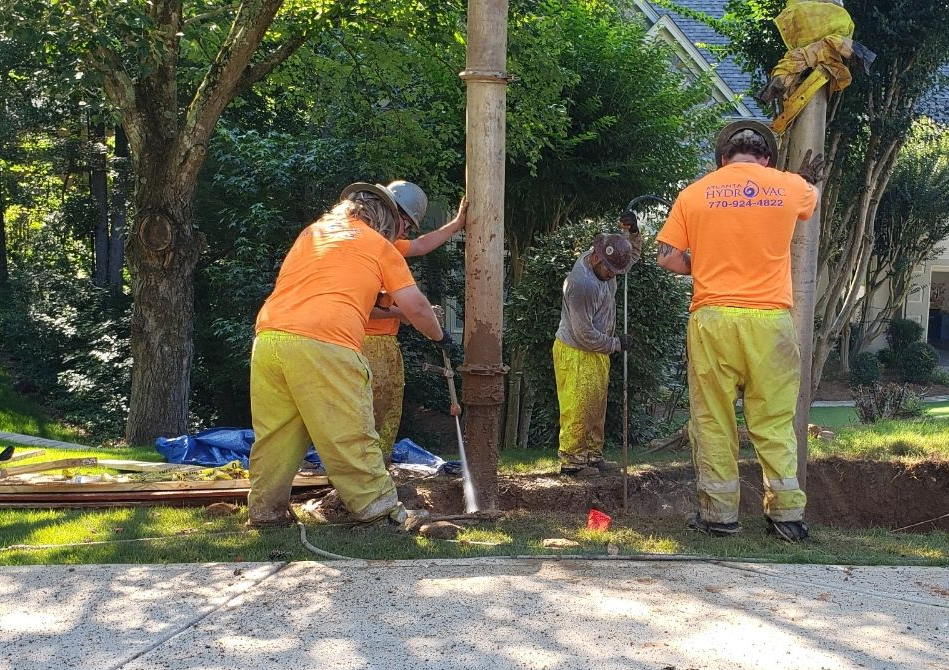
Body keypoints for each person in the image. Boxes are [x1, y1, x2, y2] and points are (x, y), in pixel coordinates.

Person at [656, 120, 824, 542]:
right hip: (771, 321)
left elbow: (667, 257)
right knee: (773, 420)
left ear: (722, 157)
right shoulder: (787, 185)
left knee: (713, 420)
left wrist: (707, 263)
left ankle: (718, 517)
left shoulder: (694, 193)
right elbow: (812, 199)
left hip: (713, 318)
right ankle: (786, 518)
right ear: (765, 156)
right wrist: (802, 180)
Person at [247, 182, 452, 528]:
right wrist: (441, 336)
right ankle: (380, 513)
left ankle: (265, 513)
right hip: (326, 343)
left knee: (276, 435)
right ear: (389, 218)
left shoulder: (313, 233)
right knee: (351, 432)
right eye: (404, 226)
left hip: (269, 339)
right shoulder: (378, 245)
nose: (403, 233)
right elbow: (415, 305)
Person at [362, 182, 468, 460]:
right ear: (393, 213)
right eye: (406, 225)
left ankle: (378, 469)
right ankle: (362, 474)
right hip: (363, 344)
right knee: (369, 411)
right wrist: (408, 315)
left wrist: (456, 224)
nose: (406, 234)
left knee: (388, 409)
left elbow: (421, 245)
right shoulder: (367, 249)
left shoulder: (386, 244)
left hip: (385, 342)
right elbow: (361, 308)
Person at [554, 230, 641, 476]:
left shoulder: (605, 261)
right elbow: (585, 334)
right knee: (577, 406)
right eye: (610, 270)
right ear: (596, 259)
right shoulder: (580, 285)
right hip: (576, 351)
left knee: (595, 406)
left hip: (597, 352)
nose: (613, 275)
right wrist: (616, 344)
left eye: (616, 271)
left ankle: (592, 455)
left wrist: (632, 233)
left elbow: (630, 256)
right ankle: (572, 462)